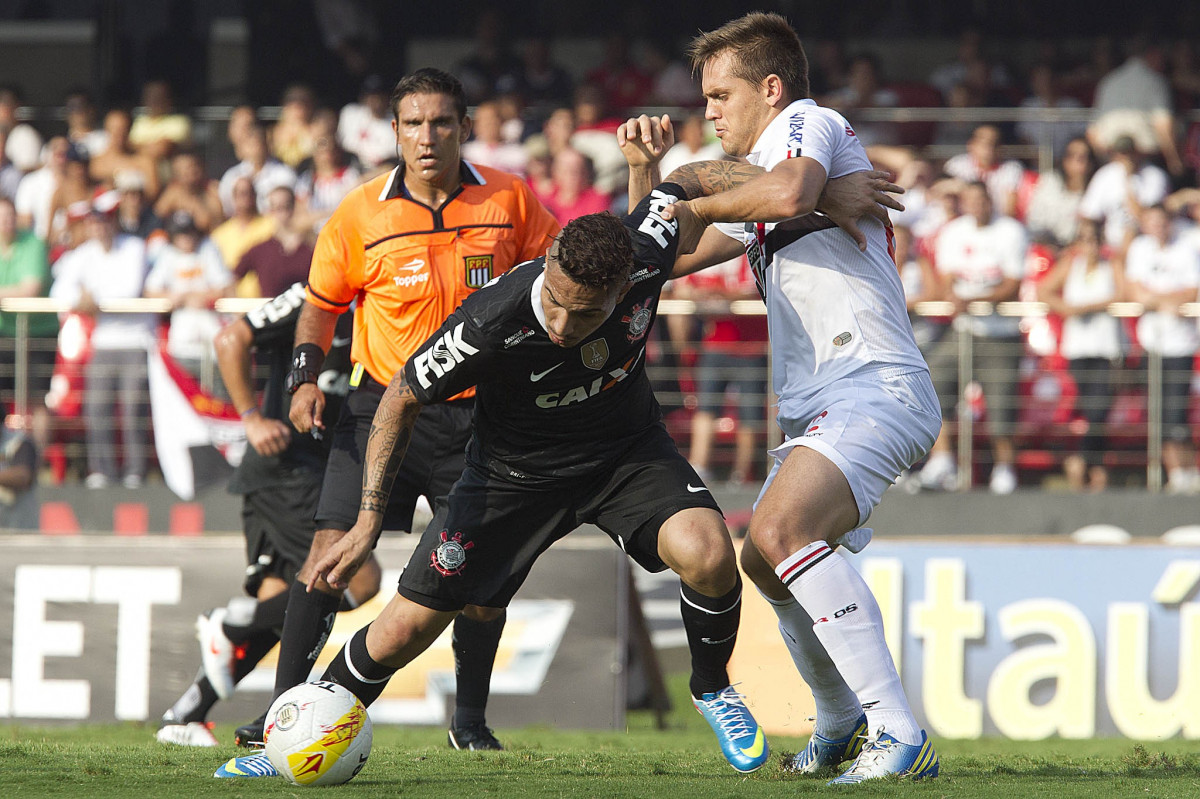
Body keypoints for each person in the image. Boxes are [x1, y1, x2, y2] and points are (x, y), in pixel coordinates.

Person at [221, 202, 770, 782]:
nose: (560, 326)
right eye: (554, 303)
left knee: (710, 553)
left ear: (621, 286)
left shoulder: (644, 255)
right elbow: (401, 395)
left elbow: (694, 182)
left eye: (582, 314)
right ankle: (290, 739)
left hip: (624, 456)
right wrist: (366, 522)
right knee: (403, 628)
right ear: (549, 260)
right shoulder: (490, 320)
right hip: (511, 475)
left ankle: (713, 689)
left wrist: (802, 187)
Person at [623, 12, 939, 783]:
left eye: (719, 96)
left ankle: (899, 734)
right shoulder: (773, 191)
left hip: (875, 380)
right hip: (825, 402)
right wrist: (647, 174)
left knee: (781, 526)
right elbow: (660, 255)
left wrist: (705, 186)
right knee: (765, 558)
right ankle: (838, 724)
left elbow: (788, 185)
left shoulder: (808, 121)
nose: (710, 113)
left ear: (770, 89)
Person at [217, 68, 561, 770]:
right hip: (381, 408)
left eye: (441, 122)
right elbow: (320, 302)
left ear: (464, 126)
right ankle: (284, 714)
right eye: (413, 124)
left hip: (481, 415)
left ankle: (470, 721)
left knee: (480, 578)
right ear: (395, 132)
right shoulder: (359, 212)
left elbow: (555, 274)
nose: (427, 137)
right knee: (326, 556)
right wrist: (307, 380)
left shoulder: (510, 198)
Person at [156, 282, 382, 747]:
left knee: (283, 615)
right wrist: (251, 418)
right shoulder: (311, 297)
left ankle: (189, 713)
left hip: (318, 470)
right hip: (285, 469)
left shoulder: (388, 299)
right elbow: (229, 339)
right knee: (359, 581)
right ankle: (233, 624)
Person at [918, 181, 1029, 494]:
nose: (976, 206)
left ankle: (1005, 468)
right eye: (970, 200)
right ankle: (942, 461)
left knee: (1002, 404)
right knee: (935, 383)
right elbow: (947, 278)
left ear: (990, 201)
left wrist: (976, 298)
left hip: (1000, 333)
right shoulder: (954, 231)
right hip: (963, 328)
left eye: (981, 199)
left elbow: (1013, 282)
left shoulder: (1011, 231)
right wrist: (956, 296)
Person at [49, 190, 155, 489]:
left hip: (135, 340)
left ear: (113, 223)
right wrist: (82, 298)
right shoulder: (83, 254)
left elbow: (130, 287)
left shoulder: (134, 247)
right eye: (93, 223)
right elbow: (60, 291)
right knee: (97, 407)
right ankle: (102, 470)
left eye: (103, 222)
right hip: (104, 342)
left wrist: (91, 298)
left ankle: (135, 470)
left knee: (133, 407)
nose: (97, 228)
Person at [1036, 220, 1123, 492]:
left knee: (1100, 410)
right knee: (1088, 409)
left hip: (1106, 349)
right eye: (1085, 240)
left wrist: (1088, 307)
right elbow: (1044, 289)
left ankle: (1083, 463)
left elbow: (1123, 292)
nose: (1090, 246)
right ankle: (1093, 468)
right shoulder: (1070, 266)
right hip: (1079, 349)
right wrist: (1066, 308)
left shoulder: (1112, 266)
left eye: (1094, 240)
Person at [1123, 204, 1200, 493]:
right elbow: (1133, 290)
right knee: (1159, 413)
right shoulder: (1140, 249)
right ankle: (1173, 471)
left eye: (1162, 221)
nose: (1157, 227)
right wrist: (1166, 301)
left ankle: (1188, 470)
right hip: (1151, 344)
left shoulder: (1186, 248)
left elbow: (1191, 291)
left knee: (1177, 412)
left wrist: (1155, 298)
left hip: (1180, 343)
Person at [232, 186, 313, 298]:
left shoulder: (311, 248)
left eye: (285, 206)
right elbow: (231, 279)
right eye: (275, 207)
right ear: (269, 211)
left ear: (294, 207)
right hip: (271, 312)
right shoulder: (260, 250)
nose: (281, 213)